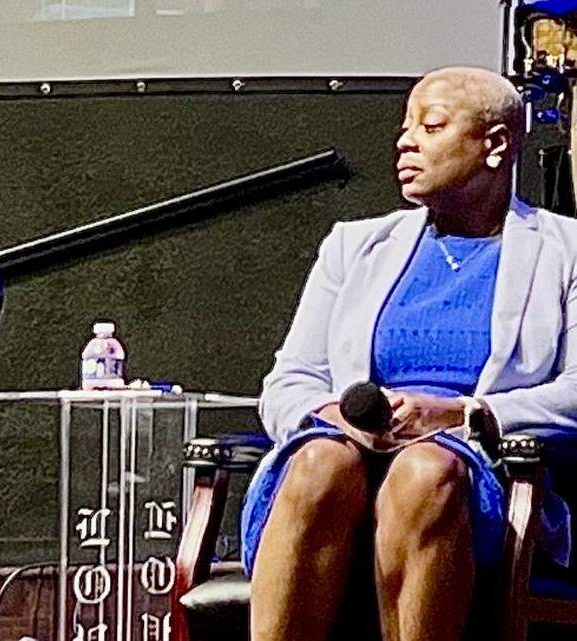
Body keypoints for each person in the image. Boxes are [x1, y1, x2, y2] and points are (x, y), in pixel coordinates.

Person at [247, 66, 577, 641]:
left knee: (425, 470)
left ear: (495, 144)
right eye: (405, 128)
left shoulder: (564, 251)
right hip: (344, 463)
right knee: (322, 461)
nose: (405, 141)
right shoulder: (354, 246)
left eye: (431, 126)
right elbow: (290, 379)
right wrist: (332, 418)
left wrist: (461, 415)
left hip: (474, 469)